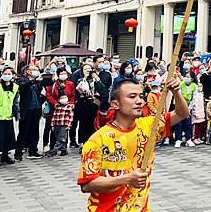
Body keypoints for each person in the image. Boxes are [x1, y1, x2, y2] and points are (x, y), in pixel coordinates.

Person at [78, 74, 189, 211]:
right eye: (132, 97)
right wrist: (127, 179)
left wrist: (176, 91)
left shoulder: (149, 127)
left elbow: (181, 114)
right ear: (115, 104)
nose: (139, 102)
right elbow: (87, 184)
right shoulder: (97, 140)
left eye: (141, 96)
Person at [0, 66, 19, 167]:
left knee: (8, 137)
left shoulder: (15, 87)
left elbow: (15, 102)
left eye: (9, 74)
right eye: (5, 73)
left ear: (13, 75)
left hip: (8, 116)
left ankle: (5, 156)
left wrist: (16, 113)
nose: (7, 76)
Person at [15, 64, 44, 160]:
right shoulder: (22, 80)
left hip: (36, 108)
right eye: (34, 69)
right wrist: (33, 81)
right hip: (26, 109)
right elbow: (23, 87)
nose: (36, 71)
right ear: (28, 71)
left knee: (35, 131)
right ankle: (18, 152)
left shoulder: (38, 82)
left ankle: (33, 150)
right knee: (23, 131)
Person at [47, 91, 74, 157]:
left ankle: (54, 151)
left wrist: (69, 125)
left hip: (64, 125)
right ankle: (64, 150)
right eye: (62, 98)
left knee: (61, 139)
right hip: (57, 124)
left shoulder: (69, 106)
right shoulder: (57, 106)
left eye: (65, 97)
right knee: (59, 137)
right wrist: (52, 125)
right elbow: (54, 116)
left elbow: (70, 116)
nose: (64, 99)